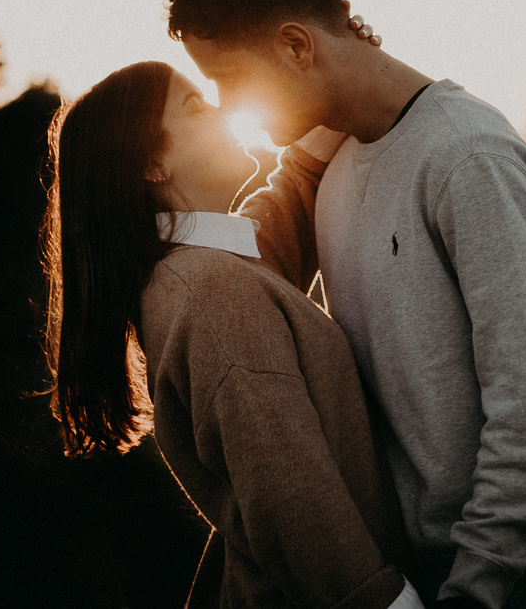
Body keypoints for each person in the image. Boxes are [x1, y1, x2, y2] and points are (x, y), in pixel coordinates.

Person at [170, 0, 526, 609]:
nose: (229, 109)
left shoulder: (469, 160)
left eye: (229, 80)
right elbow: (263, 239)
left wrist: (474, 587)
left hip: (516, 589)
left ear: (295, 44)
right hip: (414, 573)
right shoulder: (335, 156)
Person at [44, 57, 429, 609]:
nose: (224, 109)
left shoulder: (206, 269)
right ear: (153, 162)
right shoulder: (209, 291)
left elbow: (291, 200)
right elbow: (290, 494)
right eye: (197, 105)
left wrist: (332, 73)